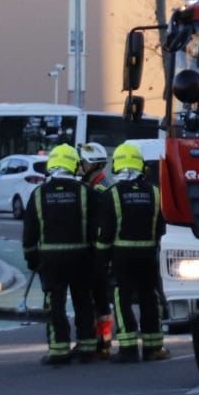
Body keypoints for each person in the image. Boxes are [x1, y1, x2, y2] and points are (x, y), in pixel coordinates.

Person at [23, 143, 98, 366]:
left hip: (51, 260)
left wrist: (32, 259)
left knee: (54, 305)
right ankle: (87, 347)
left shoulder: (38, 195)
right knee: (84, 301)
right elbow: (97, 228)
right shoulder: (86, 193)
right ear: (74, 165)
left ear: (52, 165)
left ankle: (58, 350)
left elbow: (29, 233)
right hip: (82, 257)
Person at [94, 142, 167, 362]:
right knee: (149, 298)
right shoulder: (155, 193)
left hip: (122, 257)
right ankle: (153, 347)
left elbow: (105, 234)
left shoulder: (112, 194)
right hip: (149, 256)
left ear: (117, 165)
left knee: (121, 298)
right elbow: (161, 229)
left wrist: (100, 262)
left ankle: (127, 348)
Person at [78, 141, 115, 357]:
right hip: (97, 253)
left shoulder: (100, 189)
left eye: (83, 163)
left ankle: (101, 343)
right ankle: (103, 342)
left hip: (97, 254)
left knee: (99, 299)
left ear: (92, 165)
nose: (80, 167)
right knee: (99, 300)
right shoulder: (96, 186)